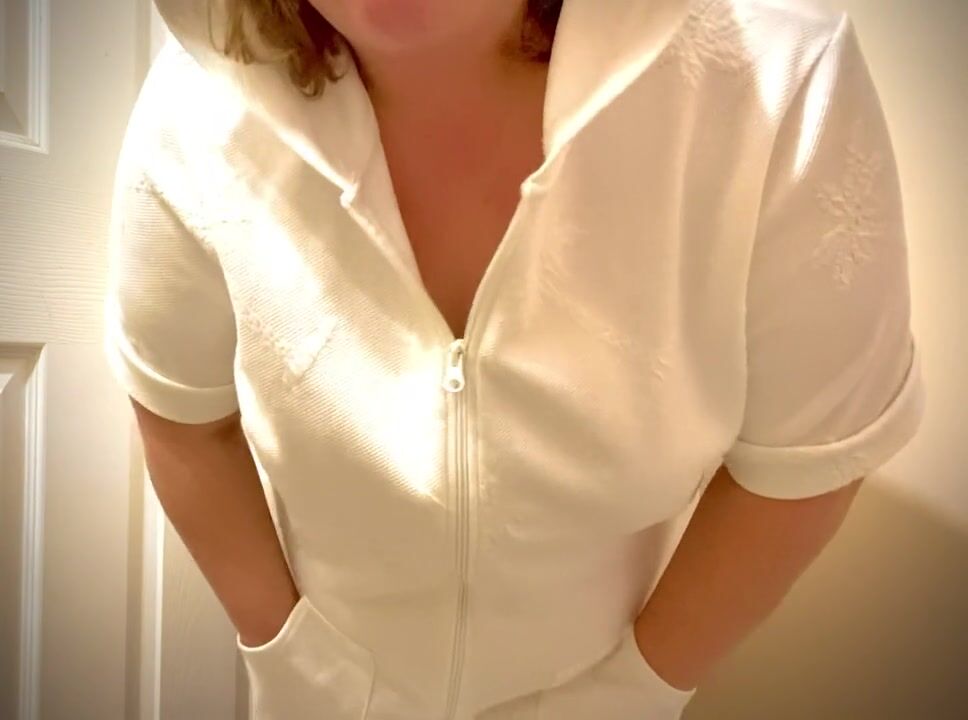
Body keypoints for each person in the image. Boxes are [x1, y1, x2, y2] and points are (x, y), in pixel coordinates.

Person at [102, 0, 926, 718]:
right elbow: (182, 413)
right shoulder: (200, 102)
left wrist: (630, 691)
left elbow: (808, 454)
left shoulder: (780, 91)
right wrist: (291, 656)